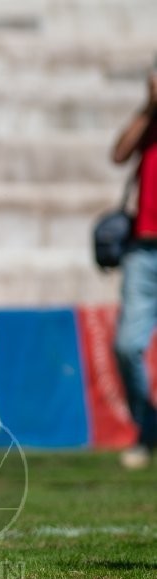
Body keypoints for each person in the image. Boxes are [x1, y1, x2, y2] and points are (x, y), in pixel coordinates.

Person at [111, 65, 157, 470]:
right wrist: (149, 106)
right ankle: (148, 426)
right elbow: (119, 154)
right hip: (143, 251)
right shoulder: (150, 121)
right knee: (127, 345)